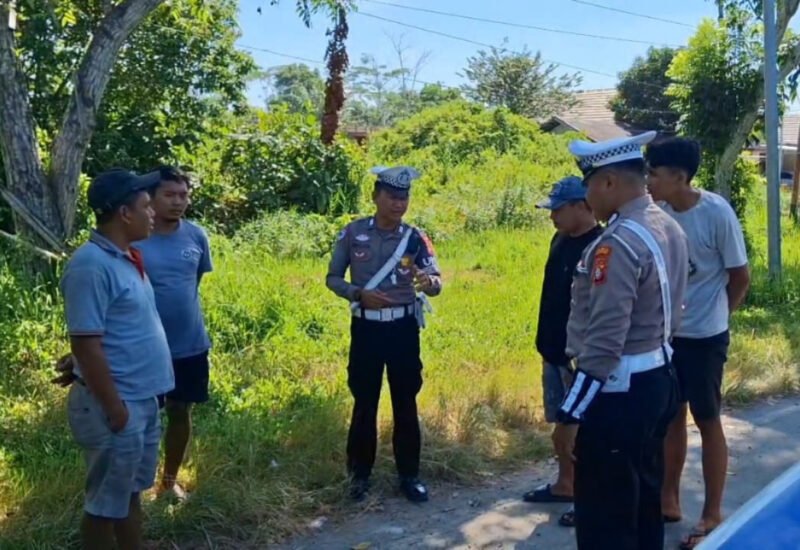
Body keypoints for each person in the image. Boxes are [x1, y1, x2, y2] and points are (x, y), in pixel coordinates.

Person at [552, 131, 689, 550]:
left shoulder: (617, 244)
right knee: (643, 504)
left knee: (606, 518)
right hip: (659, 377)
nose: (587, 194)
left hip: (619, 392)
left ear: (609, 182)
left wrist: (571, 415)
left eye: (590, 184)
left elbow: (606, 342)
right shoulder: (666, 225)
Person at [61, 168, 174, 550]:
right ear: (125, 213)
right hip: (117, 405)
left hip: (140, 400)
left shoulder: (124, 257)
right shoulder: (91, 265)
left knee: (128, 495)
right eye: (146, 206)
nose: (153, 212)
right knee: (104, 505)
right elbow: (86, 344)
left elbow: (108, 331)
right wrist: (115, 409)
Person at [645, 138, 750, 549]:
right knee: (671, 417)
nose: (649, 180)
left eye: (654, 173)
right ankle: (668, 498)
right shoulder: (658, 212)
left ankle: (712, 513)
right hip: (669, 336)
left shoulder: (715, 213)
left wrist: (718, 317)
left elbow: (739, 276)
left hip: (706, 337)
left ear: (679, 177)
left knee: (707, 421)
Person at [326, 166, 442, 503]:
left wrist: (430, 283)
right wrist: (357, 293)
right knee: (365, 402)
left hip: (403, 329)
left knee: (405, 401)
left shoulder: (414, 238)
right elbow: (332, 278)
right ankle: (359, 477)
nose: (398, 203)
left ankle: (409, 475)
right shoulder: (352, 233)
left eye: (403, 197)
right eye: (392, 196)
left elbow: (434, 278)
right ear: (376, 196)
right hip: (367, 328)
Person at [523, 176, 602, 529]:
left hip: (580, 358)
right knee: (560, 423)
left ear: (582, 206)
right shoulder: (560, 239)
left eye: (558, 209)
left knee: (583, 432)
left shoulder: (600, 246)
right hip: (553, 351)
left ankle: (589, 499)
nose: (552, 216)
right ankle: (565, 484)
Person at [135, 166, 213, 499]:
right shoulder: (135, 237)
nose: (178, 202)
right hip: (144, 348)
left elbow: (193, 283)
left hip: (190, 345)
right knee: (142, 418)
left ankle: (168, 482)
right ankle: (135, 486)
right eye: (170, 195)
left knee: (181, 411)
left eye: (183, 195)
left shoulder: (196, 236)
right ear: (150, 198)